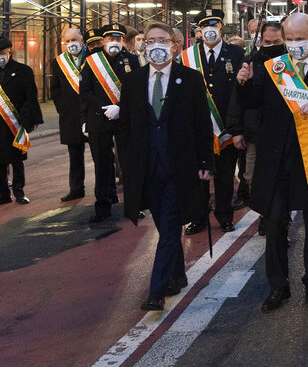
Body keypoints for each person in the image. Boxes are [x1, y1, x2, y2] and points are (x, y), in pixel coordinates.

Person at [236, 12, 308, 312]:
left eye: (300, 38)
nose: (294, 44)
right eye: (290, 38)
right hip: (276, 159)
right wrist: (244, 83)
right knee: (273, 224)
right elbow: (252, 102)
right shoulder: (274, 67)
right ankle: (278, 287)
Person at [118, 22, 213, 312]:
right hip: (148, 168)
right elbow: (126, 129)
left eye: (162, 39)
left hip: (179, 167)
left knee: (171, 227)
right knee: (163, 225)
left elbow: (201, 123)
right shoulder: (133, 81)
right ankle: (178, 275)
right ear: (142, 45)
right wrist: (127, 168)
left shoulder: (191, 79)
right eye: (150, 40)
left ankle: (156, 290)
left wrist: (206, 162)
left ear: (174, 45)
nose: (155, 44)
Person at [180, 9, 245, 234]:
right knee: (198, 176)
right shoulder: (188, 56)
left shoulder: (236, 53)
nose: (209, 30)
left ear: (221, 27)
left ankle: (225, 216)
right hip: (198, 128)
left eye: (214, 25)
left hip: (226, 127)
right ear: (199, 30)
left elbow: (241, 92)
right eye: (205, 26)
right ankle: (197, 218)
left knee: (225, 177)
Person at [79, 23, 141, 222]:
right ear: (103, 41)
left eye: (118, 39)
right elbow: (85, 92)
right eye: (110, 39)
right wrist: (103, 108)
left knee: (129, 163)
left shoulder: (132, 60)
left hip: (124, 119)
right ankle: (102, 206)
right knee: (102, 164)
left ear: (123, 41)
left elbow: (138, 90)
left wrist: (121, 108)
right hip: (99, 118)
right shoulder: (91, 61)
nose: (114, 42)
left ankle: (134, 206)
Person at [226, 21, 285, 226]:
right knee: (251, 177)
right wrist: (236, 130)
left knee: (279, 179)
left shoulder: (289, 62)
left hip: (281, 133)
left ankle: (275, 220)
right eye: (267, 41)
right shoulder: (250, 61)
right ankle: (264, 213)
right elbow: (237, 99)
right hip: (254, 133)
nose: (271, 44)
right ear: (260, 40)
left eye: (276, 41)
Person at [0, 35, 42, 204]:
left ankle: (19, 191)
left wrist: (34, 118)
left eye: (2, 52)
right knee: (0, 161)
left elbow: (31, 96)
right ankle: (3, 194)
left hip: (16, 123)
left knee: (17, 159)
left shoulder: (23, 70)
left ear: (10, 51)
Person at [51, 27, 88, 201]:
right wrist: (62, 108)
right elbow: (55, 89)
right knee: (74, 155)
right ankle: (76, 188)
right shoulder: (59, 61)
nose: (71, 44)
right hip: (70, 116)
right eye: (67, 41)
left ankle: (106, 190)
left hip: (91, 113)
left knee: (101, 154)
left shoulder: (92, 58)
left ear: (81, 40)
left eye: (74, 40)